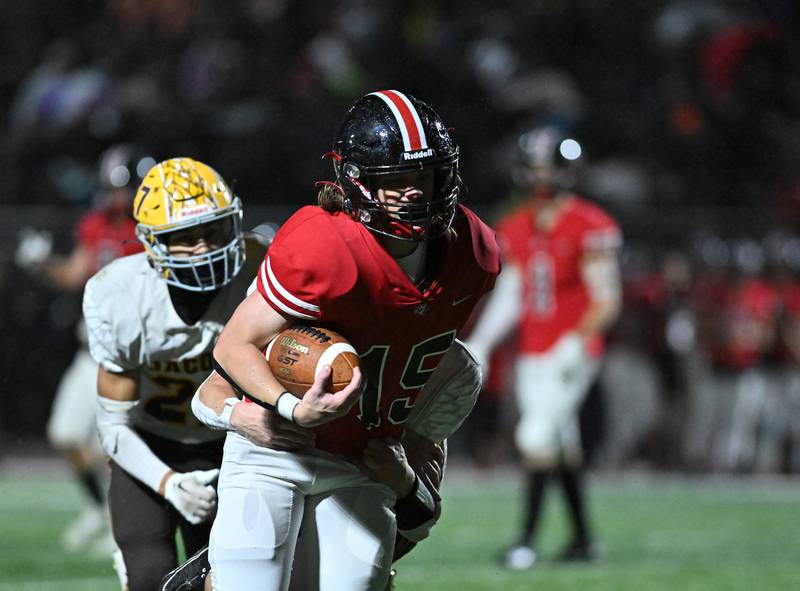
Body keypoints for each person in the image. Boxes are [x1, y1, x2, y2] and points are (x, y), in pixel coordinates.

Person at [199, 90, 500, 591]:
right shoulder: (324, 246)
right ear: (357, 182)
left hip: (363, 457)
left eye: (423, 177)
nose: (413, 193)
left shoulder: (474, 254)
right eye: (396, 180)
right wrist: (292, 410)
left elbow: (427, 408)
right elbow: (232, 347)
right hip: (278, 449)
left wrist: (409, 487)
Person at [83, 157, 272, 591]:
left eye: (213, 231)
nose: (204, 248)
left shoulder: (260, 271)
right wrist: (169, 484)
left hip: (233, 447)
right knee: (150, 578)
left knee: (238, 580)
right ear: (153, 242)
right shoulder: (120, 294)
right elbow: (112, 425)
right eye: (185, 237)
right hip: (151, 447)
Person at [465, 125, 622, 569]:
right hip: (532, 350)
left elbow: (607, 299)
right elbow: (512, 295)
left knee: (534, 436)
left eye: (545, 168)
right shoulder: (516, 225)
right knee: (561, 444)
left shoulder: (590, 224)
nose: (538, 176)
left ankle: (526, 543)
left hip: (571, 350)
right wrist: (480, 342)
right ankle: (583, 541)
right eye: (533, 167)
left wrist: (575, 341)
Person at [14, 144, 153, 553]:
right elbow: (76, 274)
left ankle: (122, 519)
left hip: (132, 355)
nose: (114, 197)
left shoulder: (154, 226)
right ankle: (99, 508)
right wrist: (42, 262)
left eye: (121, 187)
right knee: (64, 435)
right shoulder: (97, 224)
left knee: (114, 444)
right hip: (90, 348)